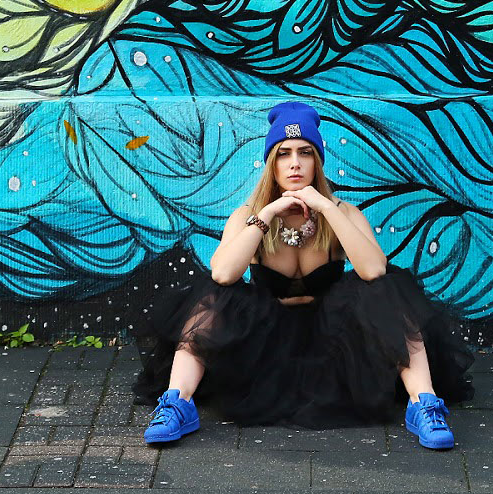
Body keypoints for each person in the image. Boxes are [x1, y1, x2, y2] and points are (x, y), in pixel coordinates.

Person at [131, 102, 475, 448]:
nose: (295, 162)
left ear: (317, 161)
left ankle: (424, 405)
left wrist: (327, 206)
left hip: (334, 342)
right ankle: (178, 403)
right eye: (284, 154)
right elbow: (222, 273)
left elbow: (374, 268)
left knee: (386, 289)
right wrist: (266, 214)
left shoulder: (342, 212)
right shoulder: (249, 215)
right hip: (266, 343)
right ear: (272, 163)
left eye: (305, 153)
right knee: (212, 297)